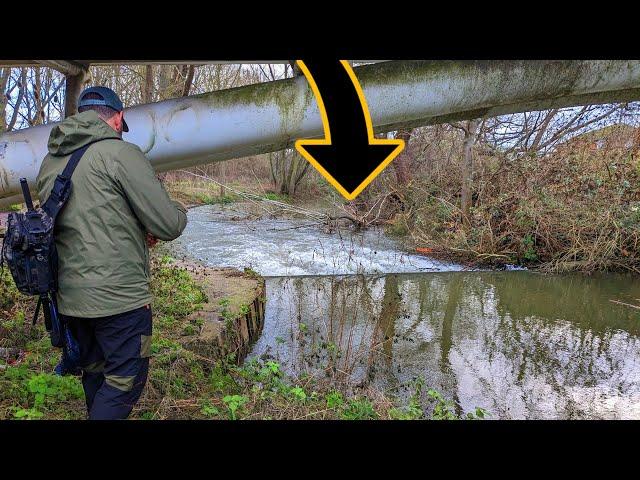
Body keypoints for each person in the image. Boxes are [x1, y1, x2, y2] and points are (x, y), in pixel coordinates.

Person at [36, 86, 187, 420]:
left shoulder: (50, 161)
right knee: (124, 383)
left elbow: (85, 219)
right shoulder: (121, 154)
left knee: (95, 372)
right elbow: (168, 224)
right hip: (119, 301)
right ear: (117, 118)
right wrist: (178, 209)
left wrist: (133, 228)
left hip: (70, 301)